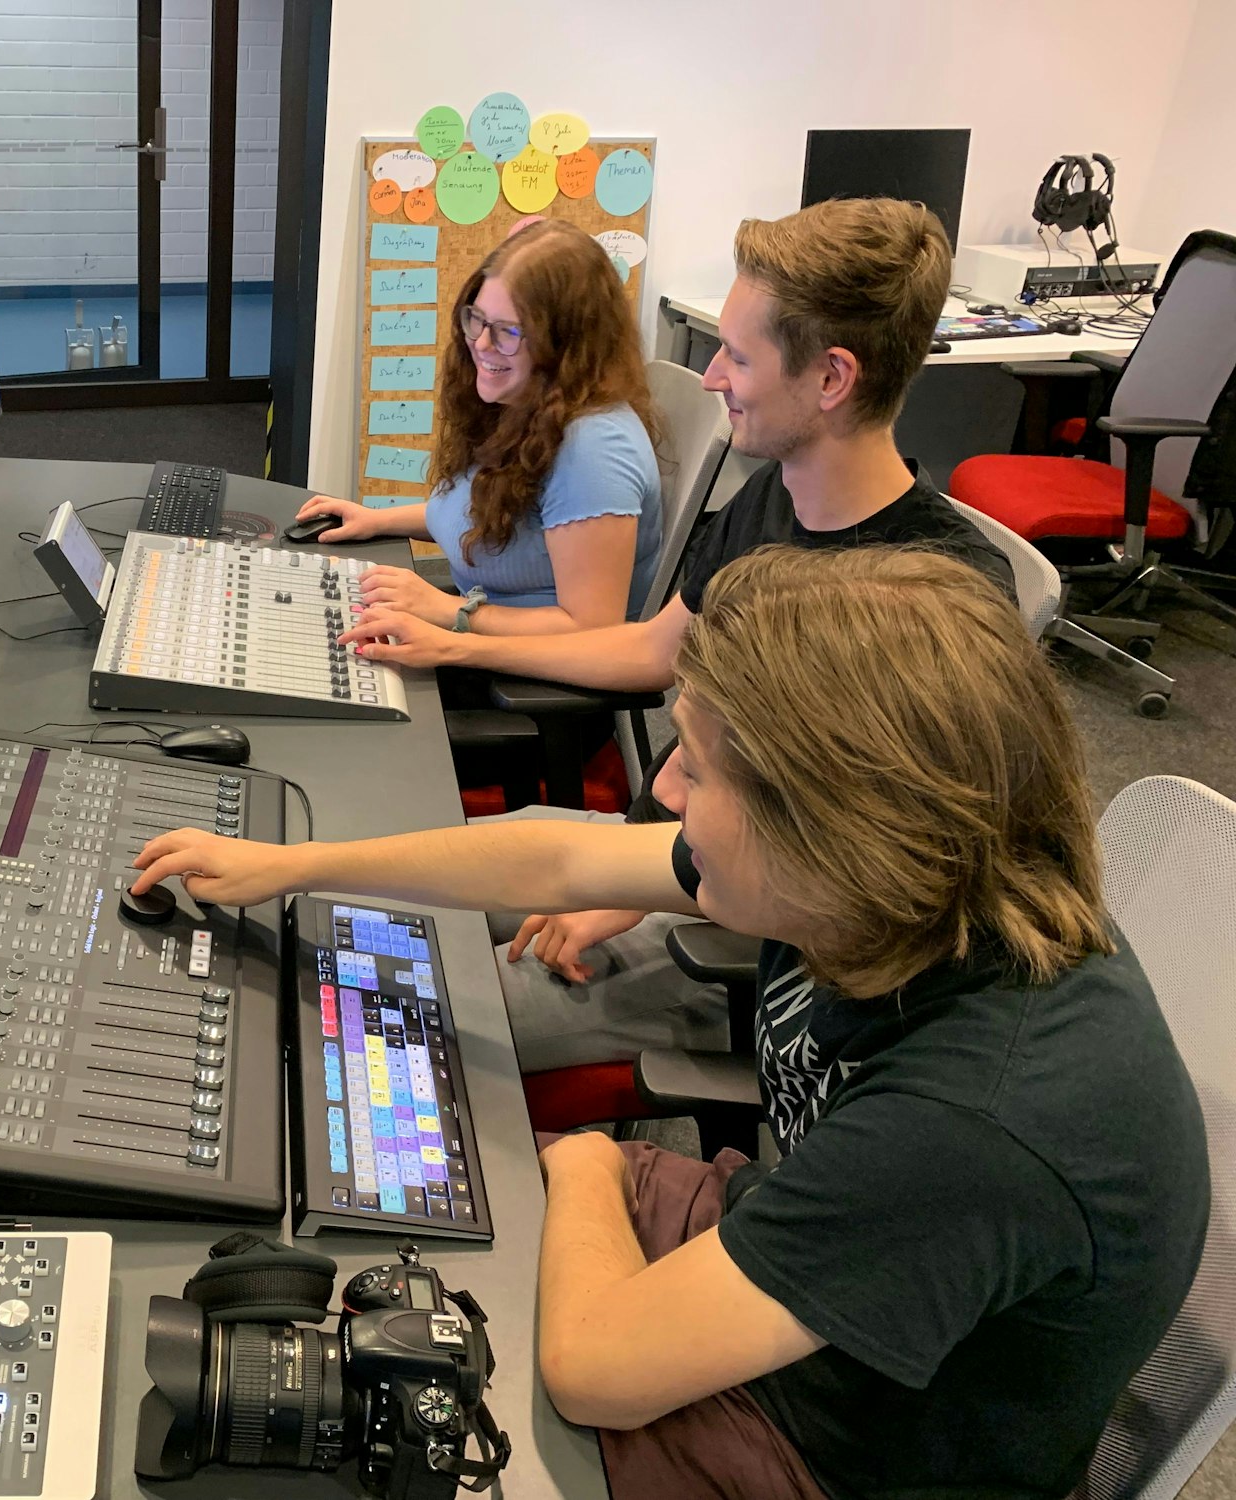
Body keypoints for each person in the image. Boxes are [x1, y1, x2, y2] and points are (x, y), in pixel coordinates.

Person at [131, 545, 1210, 1500]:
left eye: (697, 763)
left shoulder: (973, 1121)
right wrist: (293, 869)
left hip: (838, 1453)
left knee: (400, 1412)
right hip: (806, 1263)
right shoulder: (886, 883)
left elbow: (593, 1367)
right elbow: (553, 857)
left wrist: (595, 1167)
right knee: (427, 1205)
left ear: (836, 827)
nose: (663, 784)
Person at [338, 198, 1016, 1075]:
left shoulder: (941, 603)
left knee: (404, 1020)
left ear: (832, 379)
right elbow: (651, 651)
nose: (709, 379)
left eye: (737, 356)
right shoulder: (772, 502)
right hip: (672, 851)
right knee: (381, 896)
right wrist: (462, 642)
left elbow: (870, 881)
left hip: (767, 949)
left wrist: (636, 887)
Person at [294, 220, 664, 634]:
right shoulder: (526, 402)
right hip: (484, 623)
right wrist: (377, 520)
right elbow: (486, 515)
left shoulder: (595, 448)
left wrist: (449, 610)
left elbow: (592, 628)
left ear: (567, 345)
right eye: (479, 320)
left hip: (534, 676)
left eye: (508, 332)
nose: (482, 345)